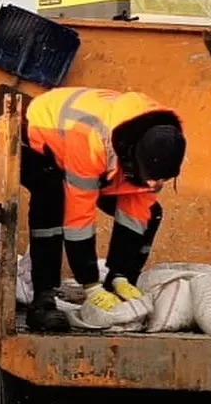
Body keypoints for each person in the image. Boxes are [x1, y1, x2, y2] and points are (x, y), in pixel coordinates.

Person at [20, 87, 187, 332]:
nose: (154, 185)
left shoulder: (160, 146)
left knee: (152, 213)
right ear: (133, 156)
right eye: (151, 178)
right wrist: (89, 284)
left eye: (161, 180)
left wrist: (120, 273)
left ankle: (119, 281)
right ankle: (43, 300)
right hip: (41, 135)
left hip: (107, 152)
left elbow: (135, 213)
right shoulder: (90, 140)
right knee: (52, 197)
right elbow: (78, 218)